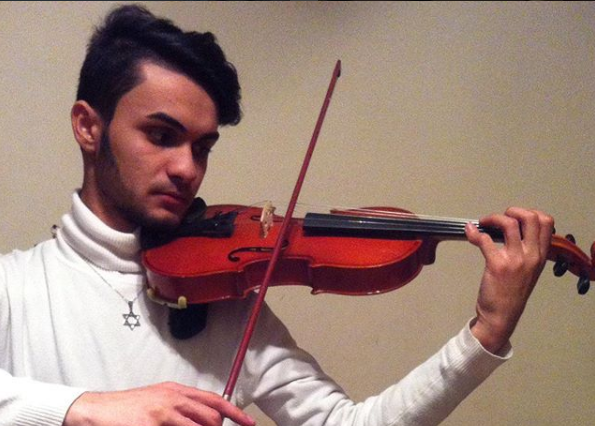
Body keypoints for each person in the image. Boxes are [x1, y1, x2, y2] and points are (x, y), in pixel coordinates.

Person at [0, 5, 555, 426]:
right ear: (88, 126)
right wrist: (85, 408)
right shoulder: (14, 287)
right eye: (162, 136)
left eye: (202, 147)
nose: (187, 169)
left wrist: (486, 332)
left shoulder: (224, 301)